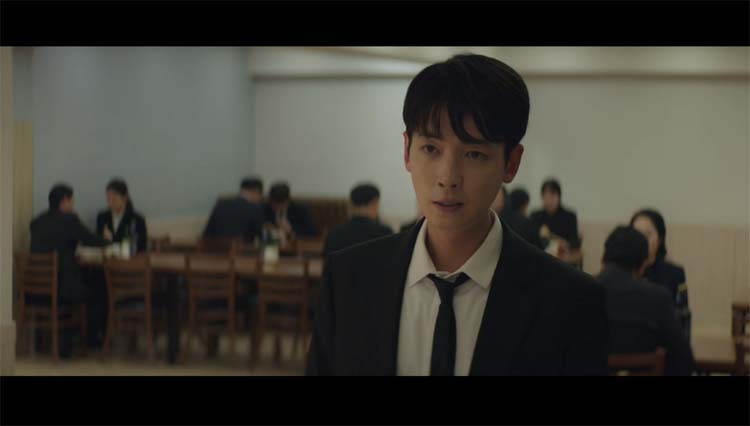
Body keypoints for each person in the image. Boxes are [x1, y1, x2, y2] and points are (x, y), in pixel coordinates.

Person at [306, 54, 608, 376]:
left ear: (511, 163)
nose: (448, 178)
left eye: (474, 154)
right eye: (430, 149)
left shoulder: (570, 302)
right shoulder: (348, 280)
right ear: (407, 151)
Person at [596, 226, 694, 375]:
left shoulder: (582, 291)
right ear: (642, 265)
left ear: (603, 257)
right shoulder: (657, 297)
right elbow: (684, 358)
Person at [29, 183, 111, 358]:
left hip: (34, 290)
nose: (73, 204)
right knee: (99, 288)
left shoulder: (36, 222)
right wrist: (108, 241)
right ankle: (88, 340)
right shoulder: (69, 220)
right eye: (72, 200)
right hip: (62, 289)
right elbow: (90, 239)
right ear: (65, 200)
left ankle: (46, 344)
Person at [630, 209, 691, 341]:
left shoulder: (675, 273)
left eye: (647, 235)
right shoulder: (624, 271)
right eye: (636, 234)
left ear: (660, 239)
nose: (641, 240)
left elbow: (683, 318)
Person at [323, 183, 393, 256]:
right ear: (375, 202)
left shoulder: (333, 235)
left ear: (351, 203)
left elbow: (327, 261)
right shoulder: (385, 234)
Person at [203, 177, 265, 243]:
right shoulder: (255, 208)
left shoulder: (220, 205)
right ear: (256, 192)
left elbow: (206, 234)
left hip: (215, 248)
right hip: (241, 248)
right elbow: (261, 236)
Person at [96, 179, 147, 253]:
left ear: (125, 198)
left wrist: (112, 241)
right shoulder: (102, 217)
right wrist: (102, 240)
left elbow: (141, 247)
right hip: (107, 258)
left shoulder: (137, 219)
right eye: (108, 198)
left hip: (130, 258)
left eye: (114, 198)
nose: (110, 202)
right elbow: (97, 243)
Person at [529, 178, 580, 248]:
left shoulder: (570, 216)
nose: (549, 200)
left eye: (552, 196)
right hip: (540, 253)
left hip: (562, 254)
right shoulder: (535, 216)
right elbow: (530, 242)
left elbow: (574, 242)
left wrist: (552, 236)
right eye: (546, 197)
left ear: (559, 197)